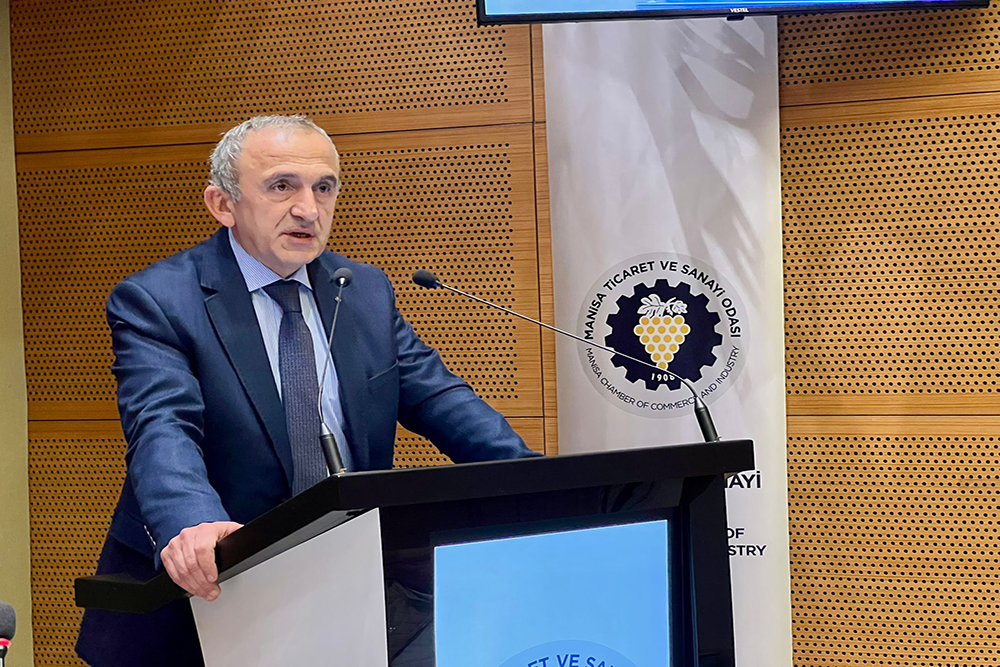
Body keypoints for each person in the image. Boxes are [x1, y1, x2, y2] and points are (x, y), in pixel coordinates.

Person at [75, 115, 536, 666]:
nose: (308, 209)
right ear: (223, 205)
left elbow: (439, 398)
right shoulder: (159, 300)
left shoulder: (361, 289)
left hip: (344, 582)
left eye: (324, 188)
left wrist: (534, 481)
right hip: (209, 593)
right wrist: (192, 522)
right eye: (281, 186)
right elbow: (162, 426)